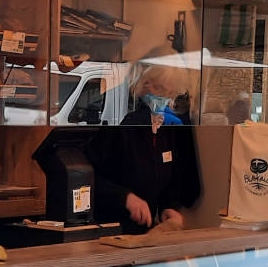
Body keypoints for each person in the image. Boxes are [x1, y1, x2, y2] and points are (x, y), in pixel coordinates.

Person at [86, 71, 201, 233]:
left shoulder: (166, 129)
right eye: (160, 90)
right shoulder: (123, 125)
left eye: (169, 93)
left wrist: (168, 207)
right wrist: (125, 197)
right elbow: (88, 179)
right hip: (109, 230)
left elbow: (166, 178)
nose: (165, 98)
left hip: (142, 234)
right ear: (144, 85)